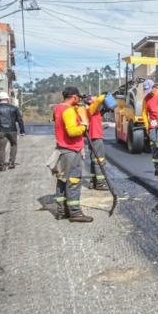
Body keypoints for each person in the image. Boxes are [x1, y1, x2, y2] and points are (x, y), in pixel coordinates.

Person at [51, 86, 92, 223]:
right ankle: (75, 213)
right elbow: (72, 131)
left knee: (62, 180)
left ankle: (61, 211)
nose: (79, 100)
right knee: (73, 181)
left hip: (62, 149)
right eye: (78, 97)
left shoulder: (58, 108)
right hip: (71, 150)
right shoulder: (68, 111)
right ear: (74, 96)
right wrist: (84, 126)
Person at [0, 91, 25, 171]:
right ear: (7, 99)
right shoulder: (13, 108)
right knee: (13, 145)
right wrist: (22, 130)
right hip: (12, 130)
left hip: (0, 131)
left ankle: (2, 166)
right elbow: (20, 120)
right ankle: (11, 163)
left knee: (1, 148)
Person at [85, 93, 110, 190]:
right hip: (95, 137)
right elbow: (99, 100)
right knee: (100, 160)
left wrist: (103, 110)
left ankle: (93, 181)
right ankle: (100, 183)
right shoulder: (91, 107)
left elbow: (96, 117)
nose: (96, 97)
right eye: (94, 96)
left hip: (92, 137)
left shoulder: (93, 110)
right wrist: (104, 95)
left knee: (94, 159)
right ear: (90, 100)